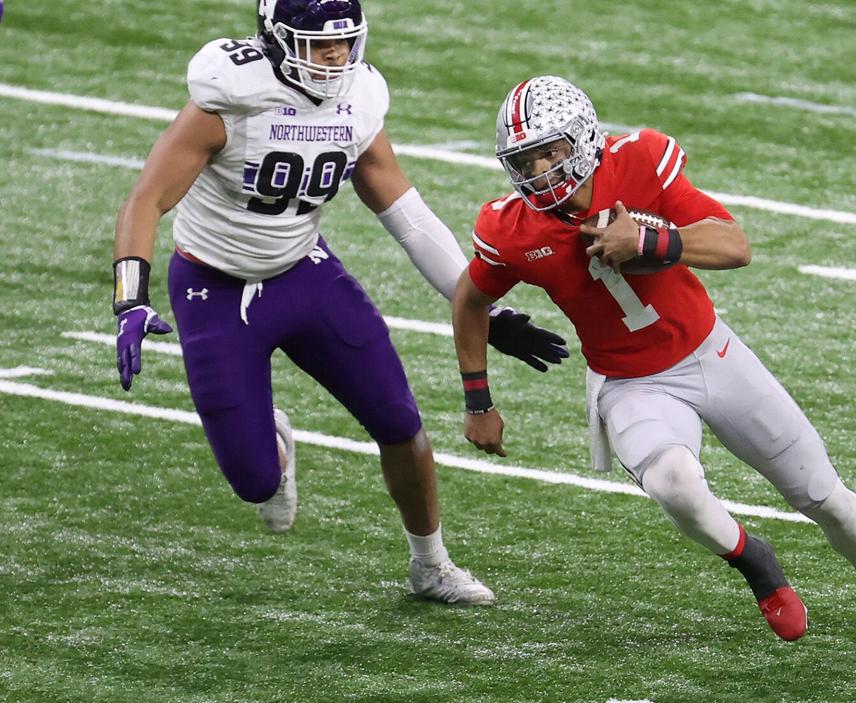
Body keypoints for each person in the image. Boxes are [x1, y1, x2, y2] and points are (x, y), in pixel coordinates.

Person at [111, 0, 567, 605]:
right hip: (213, 288)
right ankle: (272, 441)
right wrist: (129, 300)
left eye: (343, 42)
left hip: (305, 273)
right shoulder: (231, 97)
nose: (334, 56)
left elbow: (407, 216)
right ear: (275, 39)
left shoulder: (359, 99)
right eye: (316, 43)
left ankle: (430, 564)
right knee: (255, 482)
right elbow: (146, 199)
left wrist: (482, 305)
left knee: (399, 420)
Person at [451, 75, 856, 642]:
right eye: (525, 161)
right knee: (675, 483)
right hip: (629, 383)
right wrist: (477, 399)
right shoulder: (508, 228)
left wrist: (653, 243)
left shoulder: (639, 161)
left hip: (710, 353)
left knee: (826, 498)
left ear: (583, 138)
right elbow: (470, 298)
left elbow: (735, 244)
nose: (539, 173)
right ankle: (756, 563)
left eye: (550, 153)